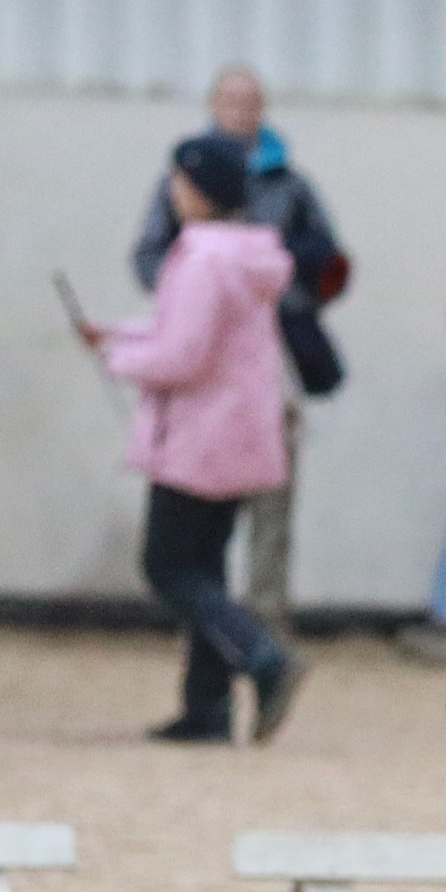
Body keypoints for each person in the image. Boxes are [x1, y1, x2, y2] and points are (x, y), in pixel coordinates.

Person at [84, 135, 304, 744]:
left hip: (199, 436)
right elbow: (184, 332)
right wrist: (118, 335)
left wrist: (117, 360)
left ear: (199, 189)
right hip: (238, 434)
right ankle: (205, 709)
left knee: (169, 566)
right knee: (205, 566)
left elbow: (182, 354)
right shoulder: (245, 255)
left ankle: (262, 656)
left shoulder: (202, 258)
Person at [133, 66, 346, 636]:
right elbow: (148, 255)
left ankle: (263, 625)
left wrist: (287, 293)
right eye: (227, 101)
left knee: (268, 509)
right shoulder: (183, 183)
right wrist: (188, 300)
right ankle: (225, 634)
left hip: (275, 361)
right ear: (212, 104)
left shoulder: (291, 185)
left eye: (248, 102)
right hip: (210, 375)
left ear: (263, 108)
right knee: (206, 532)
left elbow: (331, 264)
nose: (237, 112)